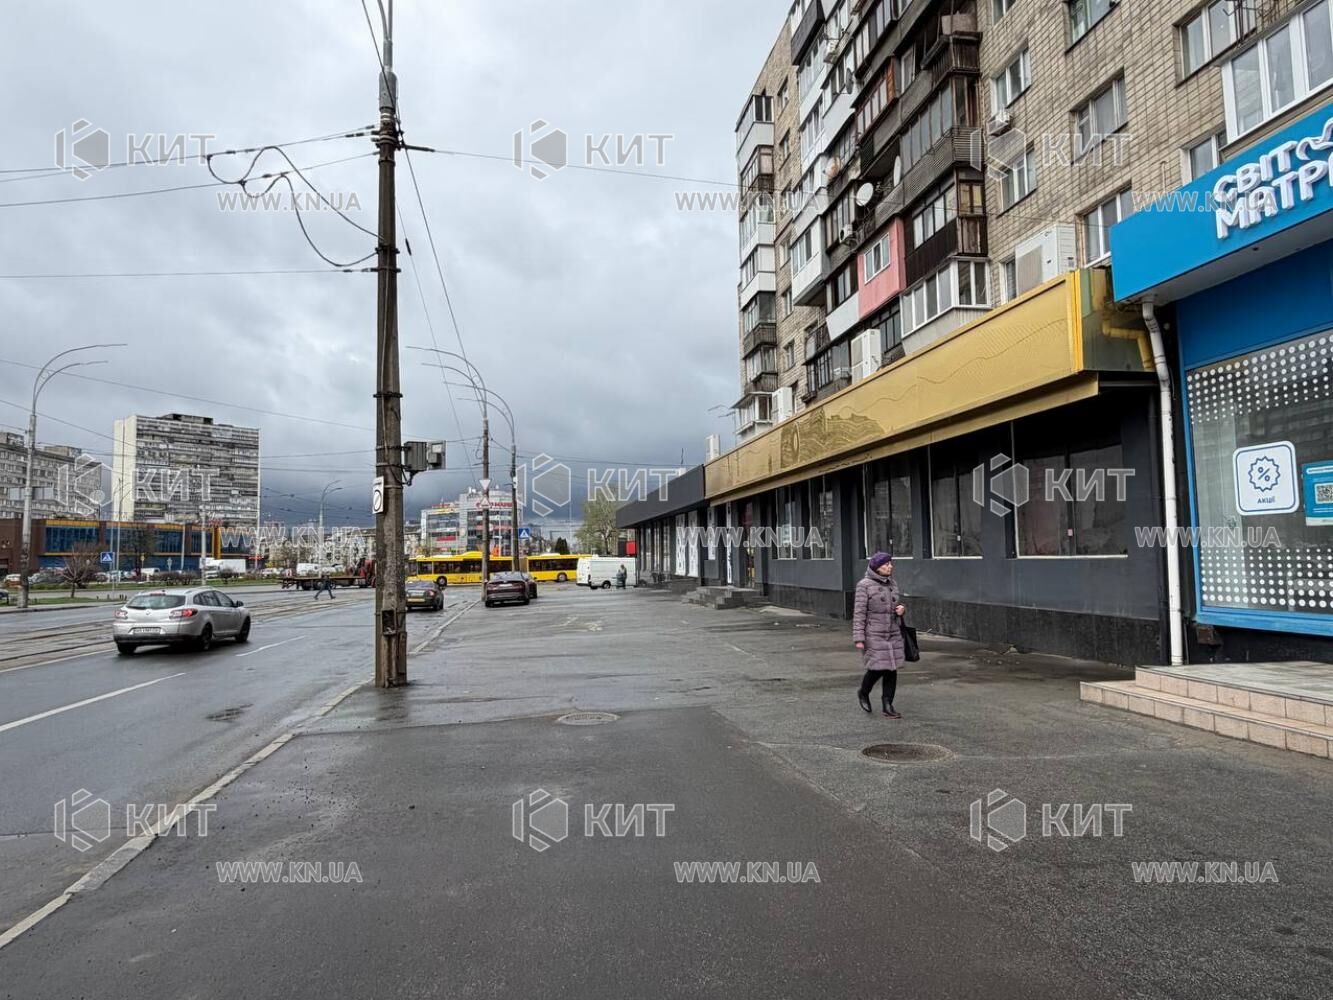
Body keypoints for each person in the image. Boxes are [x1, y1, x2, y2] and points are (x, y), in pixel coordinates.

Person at [852, 551, 906, 719]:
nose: (890, 567)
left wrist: (901, 610)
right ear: (877, 567)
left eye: (890, 563)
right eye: (886, 564)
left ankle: (888, 705)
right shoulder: (864, 585)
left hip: (892, 632)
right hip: (873, 633)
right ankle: (863, 692)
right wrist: (859, 638)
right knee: (877, 668)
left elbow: (893, 607)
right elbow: (859, 613)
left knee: (891, 669)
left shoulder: (892, 583)